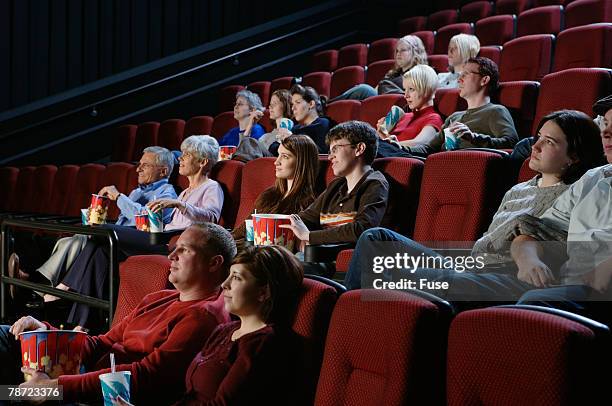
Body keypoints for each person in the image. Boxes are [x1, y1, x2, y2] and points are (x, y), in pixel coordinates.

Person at [344, 110, 606, 295]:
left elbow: (552, 244)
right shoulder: (517, 189)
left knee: (408, 276)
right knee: (376, 238)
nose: (534, 146)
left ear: (574, 156)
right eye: (538, 137)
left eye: (548, 142)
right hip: (473, 262)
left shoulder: (577, 192)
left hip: (506, 273)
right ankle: (350, 318)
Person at [0, 223, 237, 405]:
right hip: (82, 374)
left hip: (106, 395)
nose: (172, 256)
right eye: (174, 248)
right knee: (8, 335)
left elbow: (147, 377)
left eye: (184, 251)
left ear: (214, 263)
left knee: (10, 394)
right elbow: (101, 344)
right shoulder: (157, 298)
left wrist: (54, 387)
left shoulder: (203, 316)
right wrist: (46, 333)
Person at [48, 135, 224, 326]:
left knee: (104, 230)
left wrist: (179, 205)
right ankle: (82, 326)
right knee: (101, 251)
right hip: (161, 234)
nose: (180, 158)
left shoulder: (211, 187)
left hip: (169, 243)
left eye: (186, 155)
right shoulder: (185, 191)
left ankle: (65, 286)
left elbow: (211, 218)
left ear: (203, 162)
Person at [8, 146, 177, 298]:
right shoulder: (136, 192)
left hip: (130, 245)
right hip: (115, 237)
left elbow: (146, 219)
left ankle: (34, 283)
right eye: (139, 164)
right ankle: (37, 286)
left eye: (145, 165)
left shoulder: (167, 194)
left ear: (163, 171)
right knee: (67, 240)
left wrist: (118, 197)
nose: (138, 169)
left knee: (79, 240)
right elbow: (122, 220)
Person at [509, 95, 612, 323]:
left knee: (532, 307)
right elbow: (534, 232)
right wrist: (529, 260)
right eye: (605, 124)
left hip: (596, 296)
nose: (605, 133)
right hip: (568, 287)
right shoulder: (594, 178)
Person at [173, 245, 304, 405]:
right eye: (229, 275)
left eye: (236, 277)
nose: (224, 284)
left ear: (263, 293)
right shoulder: (225, 329)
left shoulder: (265, 342)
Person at [281, 120, 389, 248]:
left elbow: (362, 229)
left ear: (359, 149)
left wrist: (309, 236)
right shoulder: (336, 186)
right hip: (321, 257)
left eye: (335, 149)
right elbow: (305, 218)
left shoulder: (375, 184)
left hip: (349, 260)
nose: (330, 157)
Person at [232, 134, 319, 246]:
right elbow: (243, 230)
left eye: (285, 156)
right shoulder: (269, 195)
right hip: (249, 249)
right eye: (278, 155)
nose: (276, 162)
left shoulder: (309, 202)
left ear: (302, 162)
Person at [426, 56, 518, 157]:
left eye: (465, 74)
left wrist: (474, 138)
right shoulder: (454, 117)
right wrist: (405, 149)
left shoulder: (496, 111)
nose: (459, 79)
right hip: (443, 165)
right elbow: (429, 148)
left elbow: (511, 142)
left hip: (472, 167)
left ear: (484, 80)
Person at [329, 35, 428, 102]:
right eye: (397, 51)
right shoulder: (392, 73)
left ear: (415, 52)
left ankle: (326, 105)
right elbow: (376, 91)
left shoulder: (420, 72)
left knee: (364, 89)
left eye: (403, 50)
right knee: (363, 90)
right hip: (380, 101)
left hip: (398, 102)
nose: (398, 54)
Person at [374, 64, 443, 158]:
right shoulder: (403, 116)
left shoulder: (433, 117)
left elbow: (420, 143)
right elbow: (386, 143)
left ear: (427, 90)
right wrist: (381, 134)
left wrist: (390, 144)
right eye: (405, 89)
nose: (405, 95)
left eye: (411, 89)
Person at [270, 85, 332, 154]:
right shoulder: (295, 128)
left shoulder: (322, 123)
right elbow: (273, 148)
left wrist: (292, 140)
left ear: (311, 104)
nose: (293, 108)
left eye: (298, 102)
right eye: (292, 104)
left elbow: (321, 152)